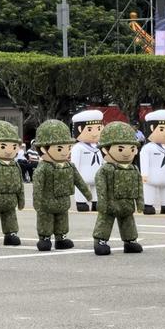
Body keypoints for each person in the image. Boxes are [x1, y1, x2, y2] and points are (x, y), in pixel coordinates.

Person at [32, 120, 92, 252]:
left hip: (63, 200)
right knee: (45, 221)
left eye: (68, 148)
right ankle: (45, 238)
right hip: (46, 202)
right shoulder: (43, 168)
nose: (65, 152)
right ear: (43, 148)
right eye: (60, 148)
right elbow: (37, 187)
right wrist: (37, 202)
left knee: (62, 220)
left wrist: (87, 194)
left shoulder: (69, 166)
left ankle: (61, 238)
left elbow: (78, 180)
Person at [92, 122, 145, 256]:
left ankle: (130, 241)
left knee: (128, 221)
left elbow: (139, 186)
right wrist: (103, 203)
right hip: (110, 203)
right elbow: (101, 186)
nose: (127, 153)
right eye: (120, 149)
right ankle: (100, 241)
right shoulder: (106, 170)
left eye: (131, 149)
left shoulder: (133, 169)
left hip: (127, 202)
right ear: (105, 149)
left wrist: (140, 202)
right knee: (105, 221)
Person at [140, 110, 165, 215]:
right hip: (151, 176)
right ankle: (148, 205)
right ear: (152, 129)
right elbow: (144, 161)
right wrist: (144, 174)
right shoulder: (148, 148)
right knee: (149, 190)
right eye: (162, 129)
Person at [71, 110, 104, 212]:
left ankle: (96, 202)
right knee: (81, 188)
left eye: (99, 128)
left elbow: (103, 160)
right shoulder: (78, 147)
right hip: (82, 175)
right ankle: (81, 202)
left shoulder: (99, 146)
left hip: (97, 174)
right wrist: (73, 175)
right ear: (80, 129)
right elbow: (74, 163)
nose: (95, 133)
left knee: (97, 188)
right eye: (90, 129)